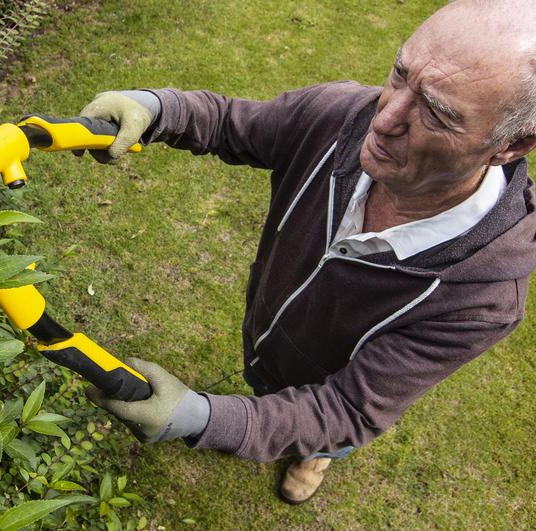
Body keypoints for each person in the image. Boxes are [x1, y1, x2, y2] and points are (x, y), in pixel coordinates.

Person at [78, 0, 536, 505]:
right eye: (400, 74)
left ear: (512, 144)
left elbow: (349, 407)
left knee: (327, 433)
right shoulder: (340, 115)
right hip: (267, 334)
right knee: (266, 386)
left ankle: (315, 456)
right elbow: (231, 123)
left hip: (329, 388)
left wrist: (203, 419)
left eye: (437, 112)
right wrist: (157, 108)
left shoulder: (484, 297)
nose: (384, 120)